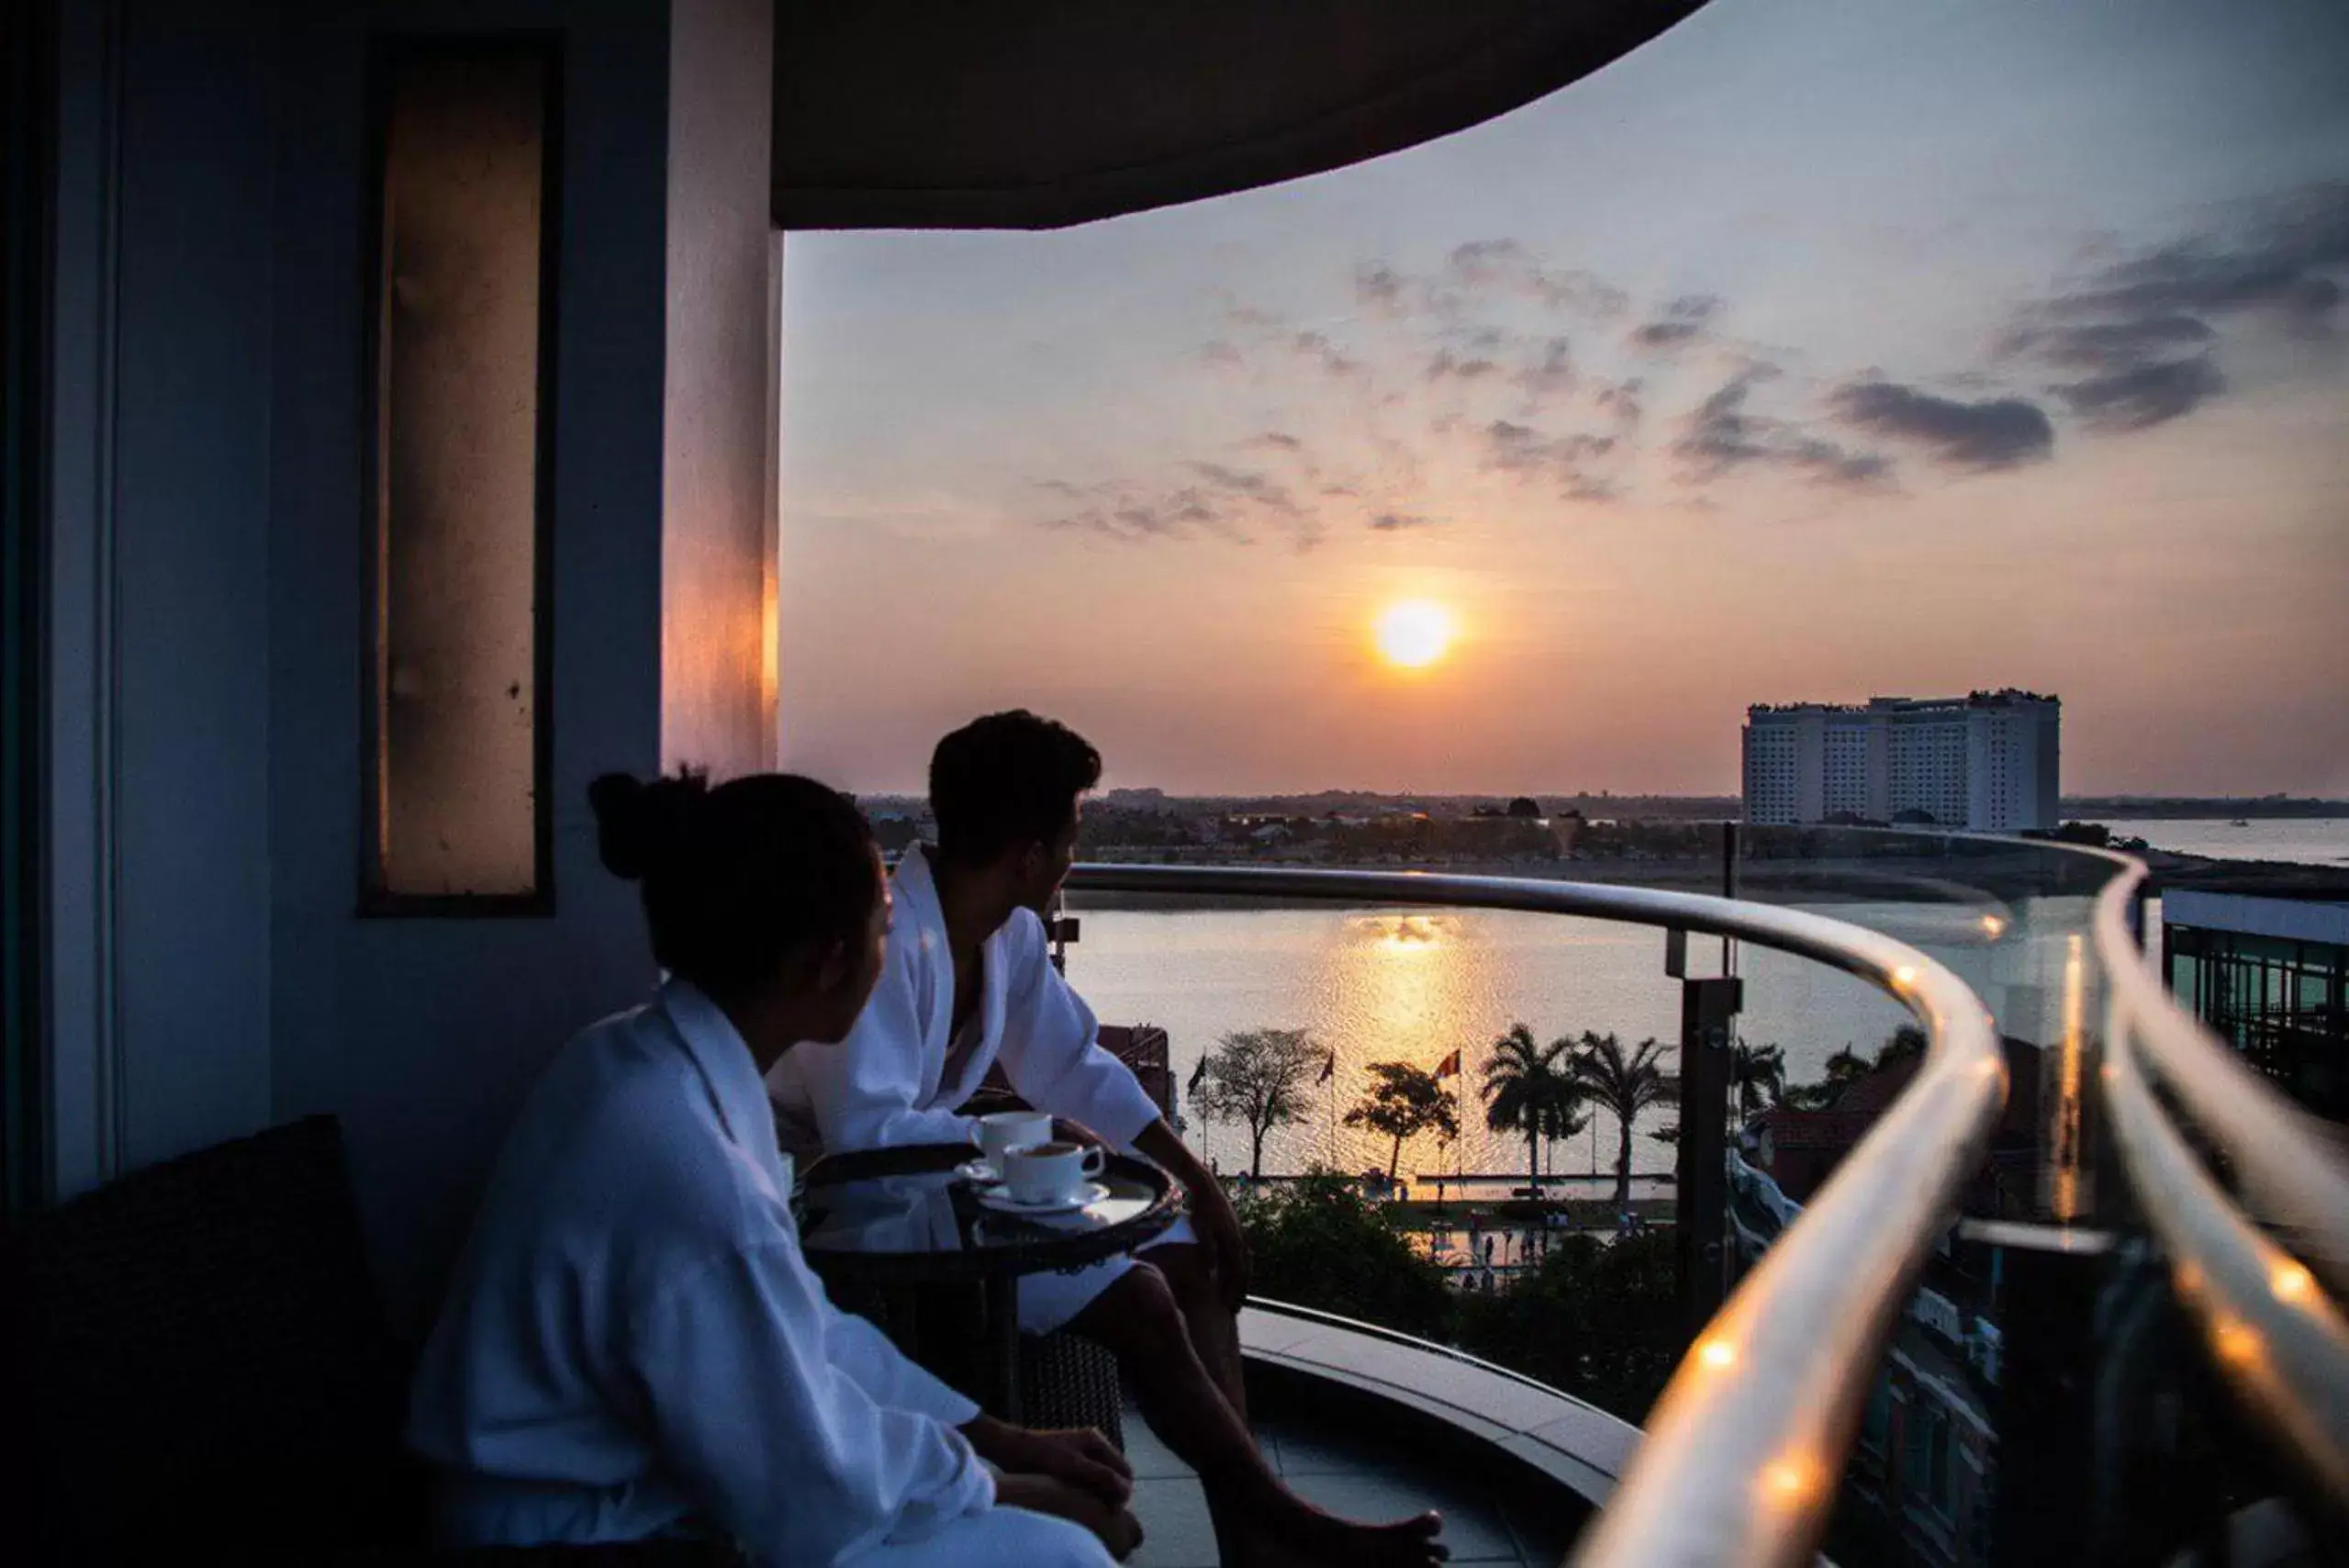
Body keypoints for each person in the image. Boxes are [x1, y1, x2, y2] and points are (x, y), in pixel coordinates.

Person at [409, 769, 1140, 1567]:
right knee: (1063, 1555)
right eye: (885, 923)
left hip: (584, 1497)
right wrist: (1016, 1489)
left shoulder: (641, 1061)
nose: (891, 951)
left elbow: (807, 1335)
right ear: (828, 961)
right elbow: (807, 1489)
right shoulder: (689, 1169)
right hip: (584, 1538)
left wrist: (1003, 1442)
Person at [770, 711, 1447, 1568]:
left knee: (1191, 1261)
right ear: (1029, 853)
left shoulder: (1007, 936)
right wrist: (1018, 1136)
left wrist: (1195, 1180)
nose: (1071, 860)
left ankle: (1252, 1545)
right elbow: (866, 1135)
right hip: (861, 1209)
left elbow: (1071, 1063)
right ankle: (1289, 1521)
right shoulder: (891, 936)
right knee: (1143, 1300)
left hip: (951, 1188)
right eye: (1071, 837)